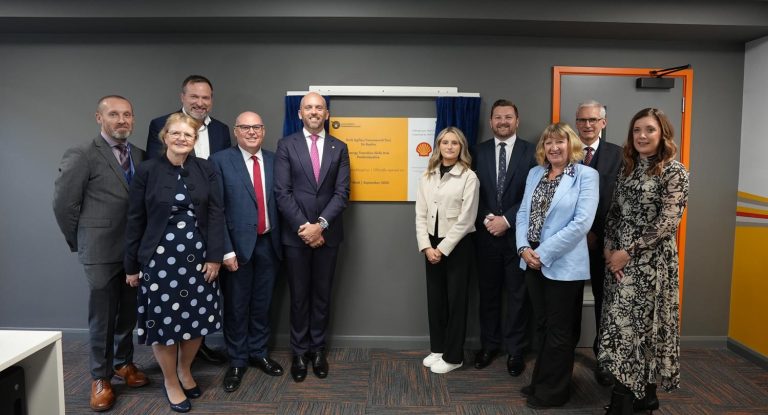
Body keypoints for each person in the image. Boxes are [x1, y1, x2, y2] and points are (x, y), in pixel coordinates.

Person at [53, 95, 148, 412]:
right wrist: (82, 241)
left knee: (128, 314)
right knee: (102, 318)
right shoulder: (82, 154)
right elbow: (64, 204)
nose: (122, 120)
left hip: (133, 252)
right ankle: (100, 377)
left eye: (127, 115)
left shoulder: (138, 154)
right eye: (114, 115)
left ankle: (123, 363)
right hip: (100, 251)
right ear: (99, 117)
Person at [125, 113, 224, 413]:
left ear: (195, 141)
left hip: (199, 260)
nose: (182, 139)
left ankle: (185, 369)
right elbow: (134, 219)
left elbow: (217, 214)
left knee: (197, 321)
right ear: (165, 136)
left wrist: (215, 256)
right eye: (176, 133)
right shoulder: (146, 171)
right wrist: (131, 265)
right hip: (159, 260)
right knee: (165, 322)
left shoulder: (205, 169)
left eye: (188, 135)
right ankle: (170, 380)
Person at [599, 108, 689, 415]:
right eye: (637, 130)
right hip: (619, 263)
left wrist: (629, 251)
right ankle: (645, 398)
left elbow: (668, 222)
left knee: (638, 331)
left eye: (649, 129)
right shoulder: (628, 169)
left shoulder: (674, 171)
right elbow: (614, 214)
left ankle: (623, 402)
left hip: (652, 265)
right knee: (621, 327)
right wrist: (610, 250)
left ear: (663, 133)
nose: (642, 136)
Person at [146, 74, 230, 364]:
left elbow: (222, 181)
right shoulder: (160, 124)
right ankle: (175, 367)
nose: (200, 102)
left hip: (203, 229)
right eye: (194, 96)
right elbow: (152, 181)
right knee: (167, 310)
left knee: (199, 306)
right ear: (182, 97)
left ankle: (195, 352)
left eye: (206, 97)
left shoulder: (221, 130)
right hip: (164, 242)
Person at [515, 122, 598, 409]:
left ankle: (553, 392)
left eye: (560, 141)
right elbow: (524, 212)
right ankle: (541, 381)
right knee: (543, 326)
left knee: (560, 332)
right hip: (532, 262)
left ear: (571, 144)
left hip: (562, 264)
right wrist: (524, 248)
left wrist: (543, 253)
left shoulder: (586, 175)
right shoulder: (535, 173)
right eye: (548, 142)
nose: (554, 147)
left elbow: (581, 224)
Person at [275, 92, 350, 382]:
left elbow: (342, 193)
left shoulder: (339, 147)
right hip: (296, 237)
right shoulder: (286, 145)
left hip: (328, 235)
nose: (314, 112)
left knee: (321, 296)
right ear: (299, 113)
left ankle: (317, 351)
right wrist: (305, 228)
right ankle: (298, 352)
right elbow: (282, 193)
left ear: (327, 114)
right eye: (309, 107)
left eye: (319, 107)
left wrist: (320, 225)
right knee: (298, 297)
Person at [210, 112, 284, 392]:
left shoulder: (276, 160)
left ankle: (258, 352)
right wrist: (225, 250)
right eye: (245, 127)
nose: (251, 132)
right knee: (237, 306)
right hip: (236, 249)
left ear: (263, 131)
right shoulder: (219, 161)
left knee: (263, 304)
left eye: (256, 127)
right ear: (236, 132)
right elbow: (215, 210)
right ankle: (238, 360)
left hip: (270, 244)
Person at [471, 99, 536, 376]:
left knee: (518, 297)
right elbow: (471, 192)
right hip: (485, 236)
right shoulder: (477, 151)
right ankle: (489, 345)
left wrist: (507, 220)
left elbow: (532, 194)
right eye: (498, 117)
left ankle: (515, 350)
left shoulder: (532, 152)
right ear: (490, 122)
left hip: (518, 238)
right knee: (488, 296)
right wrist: (489, 218)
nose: (503, 122)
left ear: (517, 120)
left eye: (508, 117)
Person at [416, 126, 480, 374]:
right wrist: (426, 246)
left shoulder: (468, 177)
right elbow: (420, 214)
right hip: (430, 244)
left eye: (455, 143)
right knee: (436, 299)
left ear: (461, 147)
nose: (450, 147)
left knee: (456, 301)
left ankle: (454, 356)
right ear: (439, 146)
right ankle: (438, 349)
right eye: (445, 142)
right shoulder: (428, 175)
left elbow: (466, 219)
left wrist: (441, 249)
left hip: (457, 245)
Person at [574, 100, 622, 386]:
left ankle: (603, 358)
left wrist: (595, 232)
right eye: (582, 120)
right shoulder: (565, 151)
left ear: (603, 122)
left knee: (606, 303)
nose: (587, 125)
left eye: (593, 120)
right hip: (570, 244)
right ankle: (563, 353)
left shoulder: (619, 155)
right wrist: (578, 233)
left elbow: (618, 202)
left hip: (605, 245)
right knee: (567, 302)